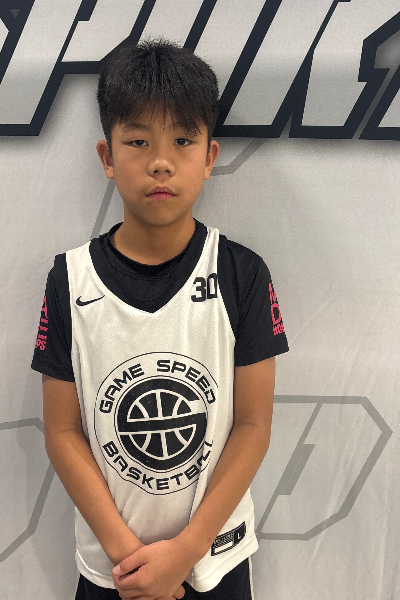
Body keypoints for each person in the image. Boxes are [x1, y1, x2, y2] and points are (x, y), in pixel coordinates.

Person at [31, 38, 289, 600]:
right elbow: (62, 432)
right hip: (112, 569)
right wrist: (130, 558)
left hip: (214, 561)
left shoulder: (241, 273)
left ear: (210, 157)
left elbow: (253, 425)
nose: (161, 162)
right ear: (107, 157)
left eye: (182, 141)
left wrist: (186, 552)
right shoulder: (69, 279)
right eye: (138, 141)